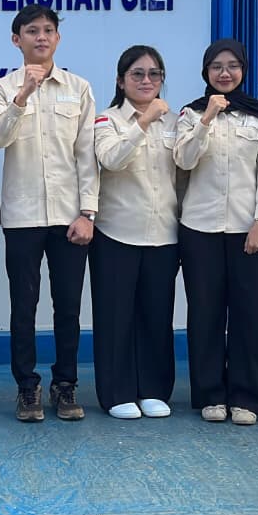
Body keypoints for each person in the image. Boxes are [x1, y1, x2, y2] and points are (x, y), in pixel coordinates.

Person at [0, 4, 97, 422]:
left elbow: (87, 153)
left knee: (68, 307)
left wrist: (88, 212)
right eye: (32, 31)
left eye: (49, 30)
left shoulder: (78, 88)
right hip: (23, 216)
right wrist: (23, 96)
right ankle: (26, 387)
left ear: (57, 38)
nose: (42, 37)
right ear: (17, 40)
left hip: (69, 216)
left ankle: (65, 385)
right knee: (23, 306)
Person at [175, 38, 258, 426]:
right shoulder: (190, 114)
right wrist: (207, 118)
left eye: (232, 66)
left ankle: (246, 396)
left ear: (243, 70)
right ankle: (210, 393)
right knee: (205, 313)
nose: (224, 73)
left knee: (250, 314)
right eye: (216, 67)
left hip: (248, 228)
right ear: (206, 72)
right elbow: (184, 160)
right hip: (200, 227)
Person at [89, 45, 181, 420]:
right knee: (115, 317)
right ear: (120, 80)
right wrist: (142, 123)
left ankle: (154, 389)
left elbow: (184, 176)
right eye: (137, 74)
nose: (146, 80)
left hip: (164, 233)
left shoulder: (175, 121)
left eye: (154, 74)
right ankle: (117, 392)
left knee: (157, 315)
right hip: (117, 232)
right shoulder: (106, 120)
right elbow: (112, 159)